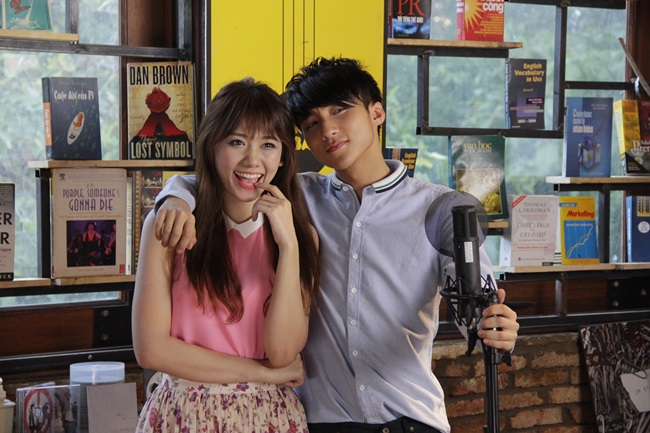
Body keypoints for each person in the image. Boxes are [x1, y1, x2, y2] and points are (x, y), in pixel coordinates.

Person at [153, 57, 519, 433]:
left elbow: (474, 302)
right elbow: (222, 178)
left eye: (340, 110)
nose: (327, 130)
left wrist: (493, 327)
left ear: (377, 112)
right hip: (322, 419)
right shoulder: (299, 198)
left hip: (410, 418)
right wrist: (175, 197)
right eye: (312, 123)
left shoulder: (441, 209)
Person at [132, 77, 320, 433]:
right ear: (212, 146)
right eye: (237, 142)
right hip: (184, 415)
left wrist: (289, 246)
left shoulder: (300, 237)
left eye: (268, 144)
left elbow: (283, 353)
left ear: (283, 157)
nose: (253, 160)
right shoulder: (170, 224)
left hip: (270, 418)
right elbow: (151, 350)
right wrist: (260, 373)